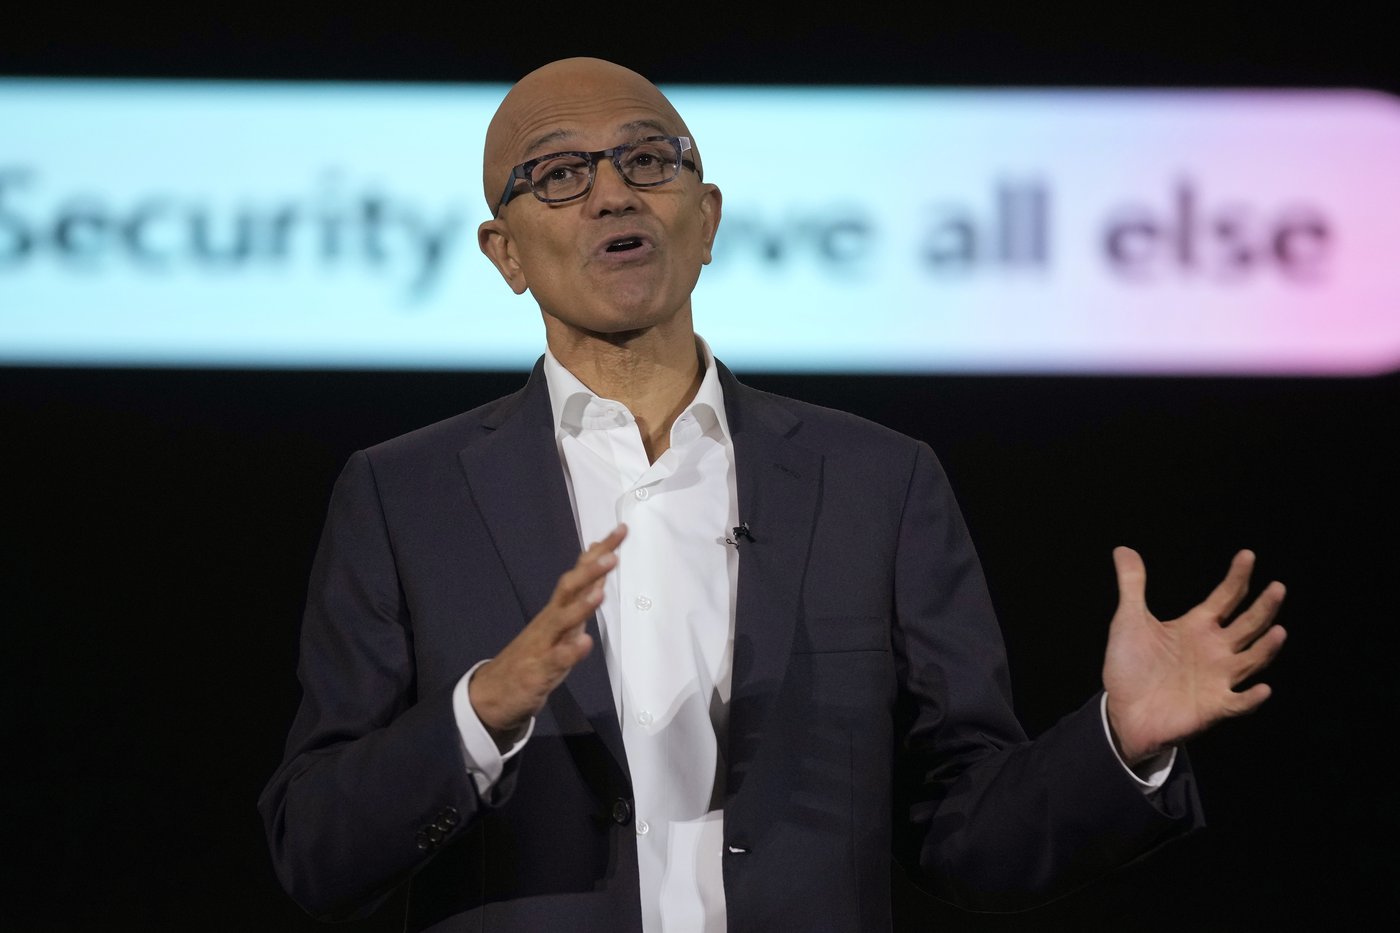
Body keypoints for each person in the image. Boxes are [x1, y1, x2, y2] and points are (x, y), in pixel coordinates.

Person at [259, 58, 1287, 933]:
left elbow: (965, 833)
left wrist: (1117, 744)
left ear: (705, 219)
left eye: (648, 160)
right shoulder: (404, 495)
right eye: (560, 174)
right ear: (506, 254)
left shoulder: (876, 480)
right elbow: (314, 849)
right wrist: (479, 713)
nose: (613, 194)